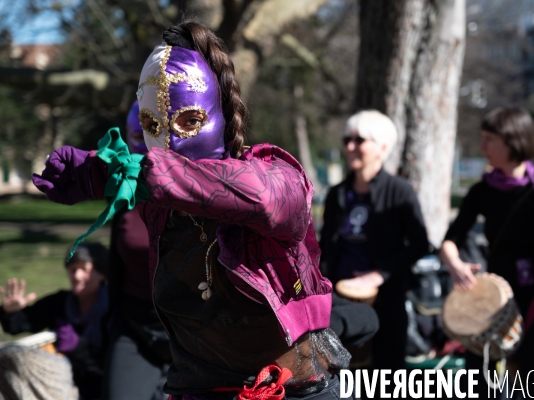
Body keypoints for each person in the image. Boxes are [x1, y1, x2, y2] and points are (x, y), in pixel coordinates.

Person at [31, 21, 351, 400]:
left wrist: (161, 175)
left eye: (189, 121)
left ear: (219, 113)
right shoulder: (159, 207)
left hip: (293, 392)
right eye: (152, 125)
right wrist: (97, 173)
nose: (167, 142)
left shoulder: (276, 175)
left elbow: (269, 199)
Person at [438, 106, 534, 398]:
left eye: (489, 139)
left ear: (512, 140)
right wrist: (454, 264)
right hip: (492, 302)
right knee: (478, 385)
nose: (482, 147)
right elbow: (451, 239)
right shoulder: (481, 191)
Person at [319, 110, 430, 371]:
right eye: (347, 139)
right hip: (338, 303)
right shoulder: (337, 194)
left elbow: (420, 244)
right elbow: (325, 248)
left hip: (386, 303)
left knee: (387, 380)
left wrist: (379, 275)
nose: (350, 146)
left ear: (382, 147)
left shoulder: (399, 191)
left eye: (359, 140)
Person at [102, 100, 170, 400]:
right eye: (140, 136)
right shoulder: (124, 187)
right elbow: (118, 259)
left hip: (198, 332)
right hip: (136, 325)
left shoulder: (204, 190)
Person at [0, 242, 109, 400]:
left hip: (104, 387)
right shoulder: (60, 303)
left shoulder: (115, 309)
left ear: (102, 273)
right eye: (72, 269)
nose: (77, 276)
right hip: (61, 385)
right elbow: (21, 323)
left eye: (84, 269)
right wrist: (10, 311)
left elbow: (118, 361)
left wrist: (79, 347)